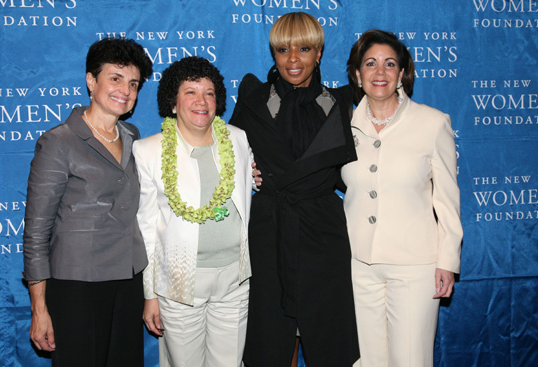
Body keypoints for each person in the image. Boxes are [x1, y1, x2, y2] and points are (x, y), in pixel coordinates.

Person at [230, 12, 360, 367]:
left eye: (304, 48)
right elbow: (228, 155)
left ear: (318, 53)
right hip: (269, 229)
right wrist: (249, 173)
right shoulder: (254, 99)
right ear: (273, 53)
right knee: (271, 333)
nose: (293, 59)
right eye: (283, 49)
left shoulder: (342, 103)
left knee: (328, 333)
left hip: (324, 230)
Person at [22, 37, 153, 367]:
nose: (125, 89)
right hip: (77, 286)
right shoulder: (59, 142)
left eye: (133, 83)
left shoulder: (133, 136)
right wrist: (40, 308)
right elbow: (36, 233)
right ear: (91, 81)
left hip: (128, 280)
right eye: (115, 78)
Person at [342, 29, 463, 367]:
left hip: (415, 266)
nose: (379, 72)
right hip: (357, 266)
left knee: (411, 360)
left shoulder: (432, 122)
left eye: (389, 64)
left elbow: (448, 200)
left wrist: (447, 261)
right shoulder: (340, 124)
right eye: (370, 64)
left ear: (401, 73)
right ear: (356, 74)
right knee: (365, 361)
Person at [134, 56, 253, 367]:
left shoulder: (238, 139)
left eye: (209, 93)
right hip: (180, 282)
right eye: (190, 92)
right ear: (173, 102)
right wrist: (150, 295)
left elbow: (253, 182)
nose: (202, 101)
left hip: (234, 279)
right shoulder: (148, 151)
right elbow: (146, 228)